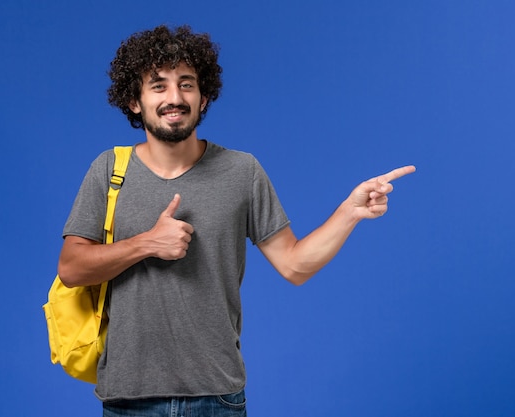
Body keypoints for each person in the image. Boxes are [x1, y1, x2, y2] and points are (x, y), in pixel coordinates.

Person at [57, 24, 415, 417]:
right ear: (134, 101)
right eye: (158, 85)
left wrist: (349, 212)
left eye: (187, 84)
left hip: (218, 399)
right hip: (128, 400)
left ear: (204, 96)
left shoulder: (242, 171)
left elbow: (294, 265)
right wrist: (148, 243)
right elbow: (72, 268)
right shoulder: (109, 170)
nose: (174, 98)